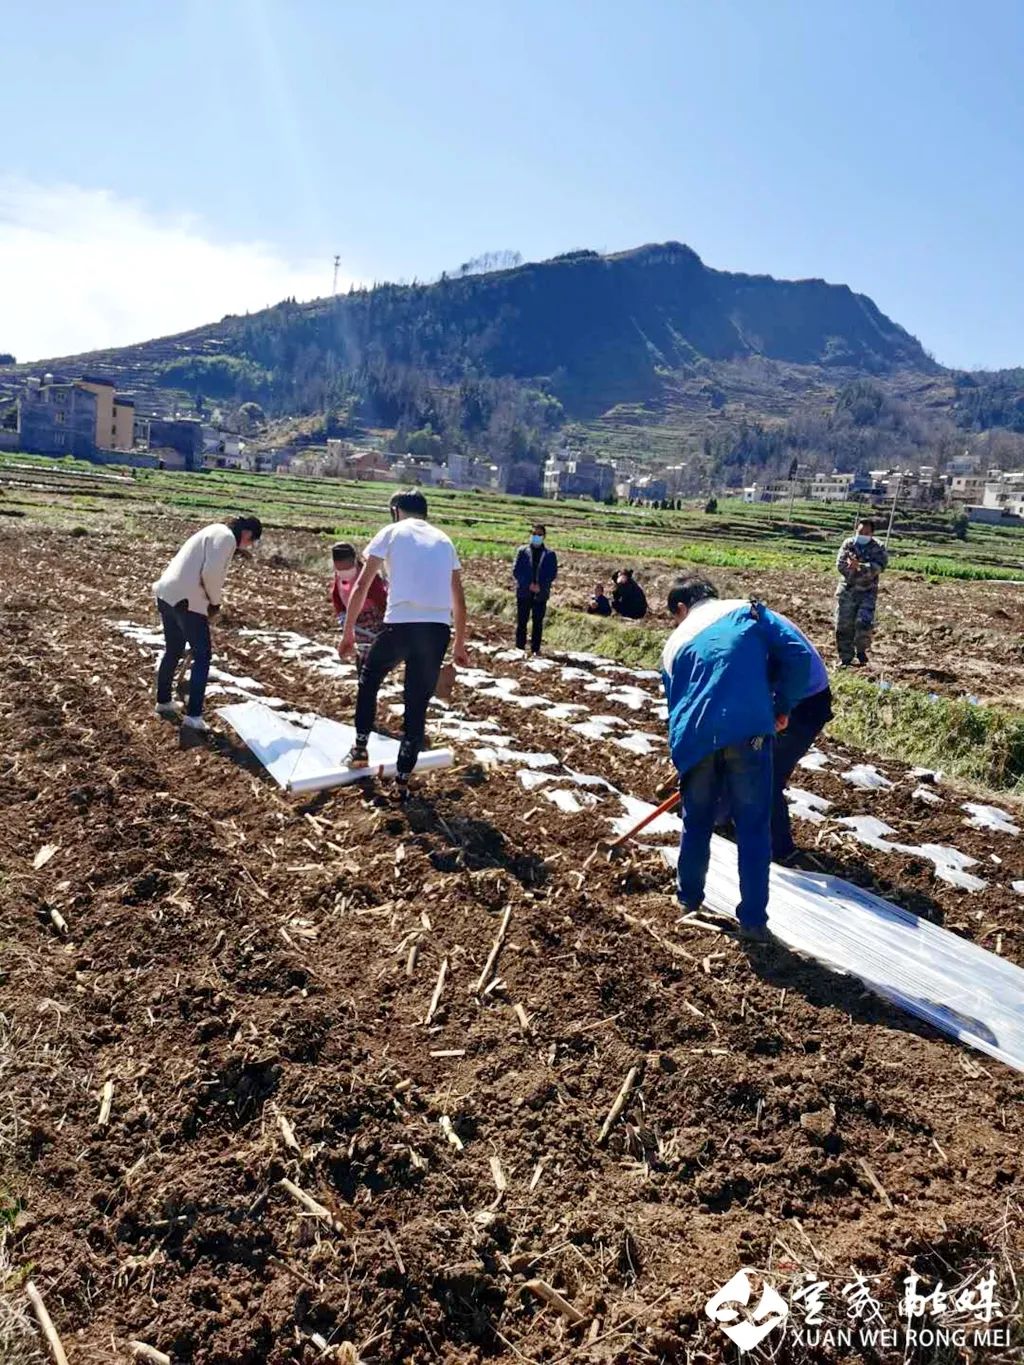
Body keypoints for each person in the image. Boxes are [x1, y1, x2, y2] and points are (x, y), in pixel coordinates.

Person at [662, 574, 814, 943]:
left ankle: (688, 900)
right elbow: (799, 654)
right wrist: (782, 705)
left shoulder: (672, 644)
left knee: (696, 822)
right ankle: (753, 921)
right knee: (752, 827)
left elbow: (674, 703)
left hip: (696, 738)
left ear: (682, 608)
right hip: (749, 731)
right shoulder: (748, 611)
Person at [339, 490, 469, 794]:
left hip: (400, 625)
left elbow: (361, 586)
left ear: (396, 510)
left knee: (369, 678)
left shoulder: (391, 533)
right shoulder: (444, 541)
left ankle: (360, 749)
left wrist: (347, 633)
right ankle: (402, 781)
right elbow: (459, 601)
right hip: (437, 630)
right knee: (416, 703)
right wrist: (459, 645)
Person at [153, 516, 263, 732]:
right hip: (187, 600)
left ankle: (163, 701)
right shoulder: (227, 538)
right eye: (252, 541)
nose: (248, 545)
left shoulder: (213, 530)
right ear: (247, 533)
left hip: (166, 594)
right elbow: (210, 574)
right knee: (202, 656)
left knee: (173, 650)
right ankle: (193, 716)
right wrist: (215, 603)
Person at [769, 617, 833, 865]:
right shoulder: (742, 620)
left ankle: (780, 850)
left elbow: (798, 660)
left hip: (804, 703)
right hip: (795, 695)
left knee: (767, 773)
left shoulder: (741, 633)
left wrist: (781, 710)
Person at [835, 517, 888, 666]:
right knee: (843, 625)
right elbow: (840, 565)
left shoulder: (878, 547)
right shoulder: (848, 544)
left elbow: (879, 567)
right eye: (860, 531)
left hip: (867, 593)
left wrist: (860, 566)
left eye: (866, 532)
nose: (862, 534)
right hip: (848, 591)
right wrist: (852, 569)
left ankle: (861, 651)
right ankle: (845, 658)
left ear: (872, 533)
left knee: (863, 623)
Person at [331, 541, 388, 672]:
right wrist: (342, 615)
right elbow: (337, 596)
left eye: (347, 568)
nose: (344, 572)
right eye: (340, 569)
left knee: (372, 653)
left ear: (355, 561)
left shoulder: (368, 576)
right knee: (361, 652)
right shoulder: (339, 577)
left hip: (373, 619)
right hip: (355, 620)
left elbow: (382, 600)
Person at [512, 523, 558, 655]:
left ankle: (535, 649)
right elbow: (516, 571)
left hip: (541, 594)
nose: (536, 537)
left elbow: (552, 573)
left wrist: (541, 586)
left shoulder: (550, 554)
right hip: (524, 592)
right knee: (522, 621)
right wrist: (528, 584)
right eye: (534, 534)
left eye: (539, 535)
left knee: (537, 622)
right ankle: (519, 648)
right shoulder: (522, 551)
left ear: (544, 537)